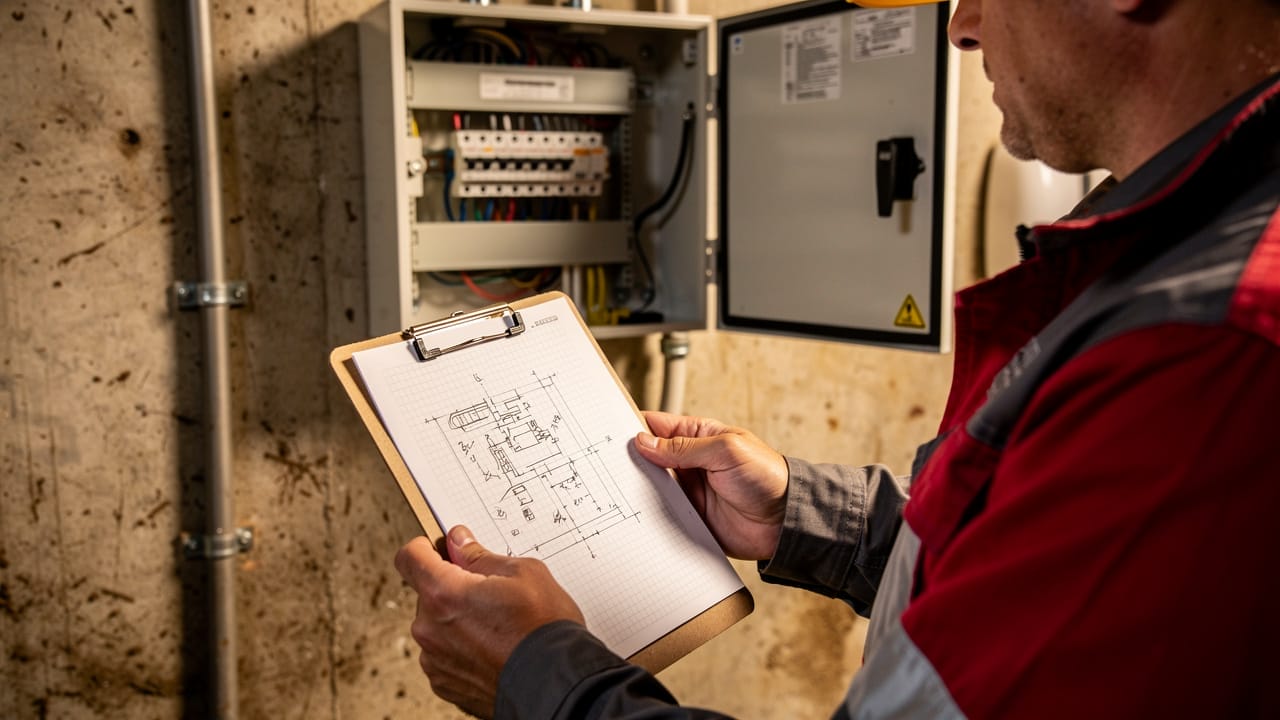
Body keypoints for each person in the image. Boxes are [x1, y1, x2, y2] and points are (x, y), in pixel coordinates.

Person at [394, 0, 1280, 716]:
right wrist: (808, 519)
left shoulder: (1208, 349)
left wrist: (541, 680)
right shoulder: (1176, 260)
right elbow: (1029, 585)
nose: (962, 23)